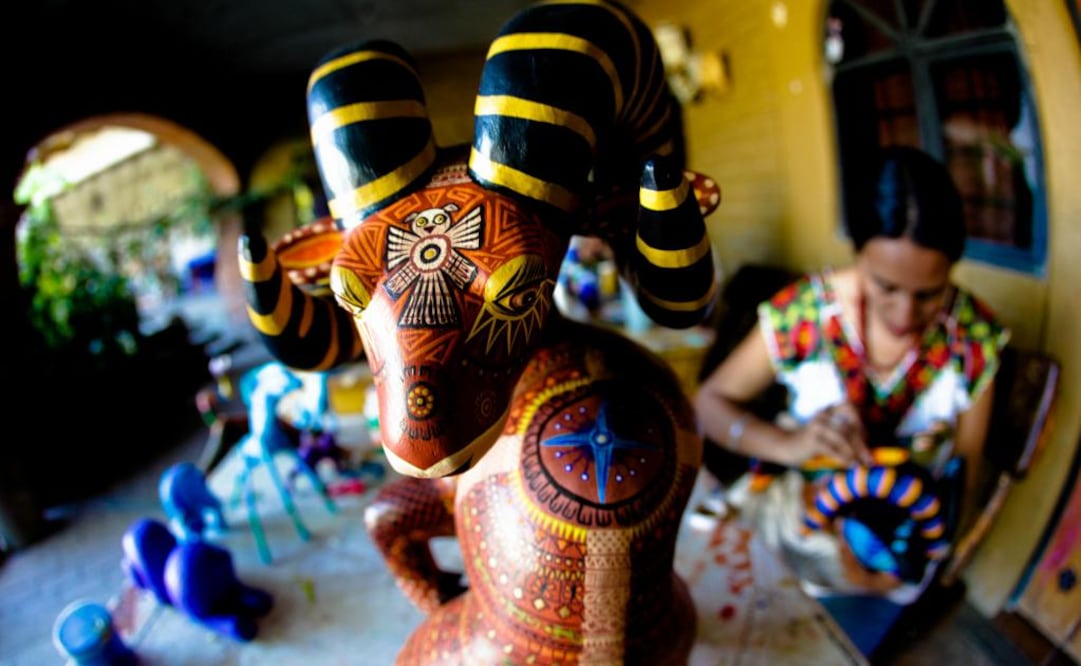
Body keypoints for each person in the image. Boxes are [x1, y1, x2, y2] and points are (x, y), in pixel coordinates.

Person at [693, 146, 1010, 653]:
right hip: (797, 525)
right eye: (885, 286)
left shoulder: (972, 338)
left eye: (930, 293)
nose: (905, 313)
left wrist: (912, 546)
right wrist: (790, 444)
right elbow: (710, 403)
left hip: (895, 549)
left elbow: (963, 479)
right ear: (857, 251)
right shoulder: (807, 312)